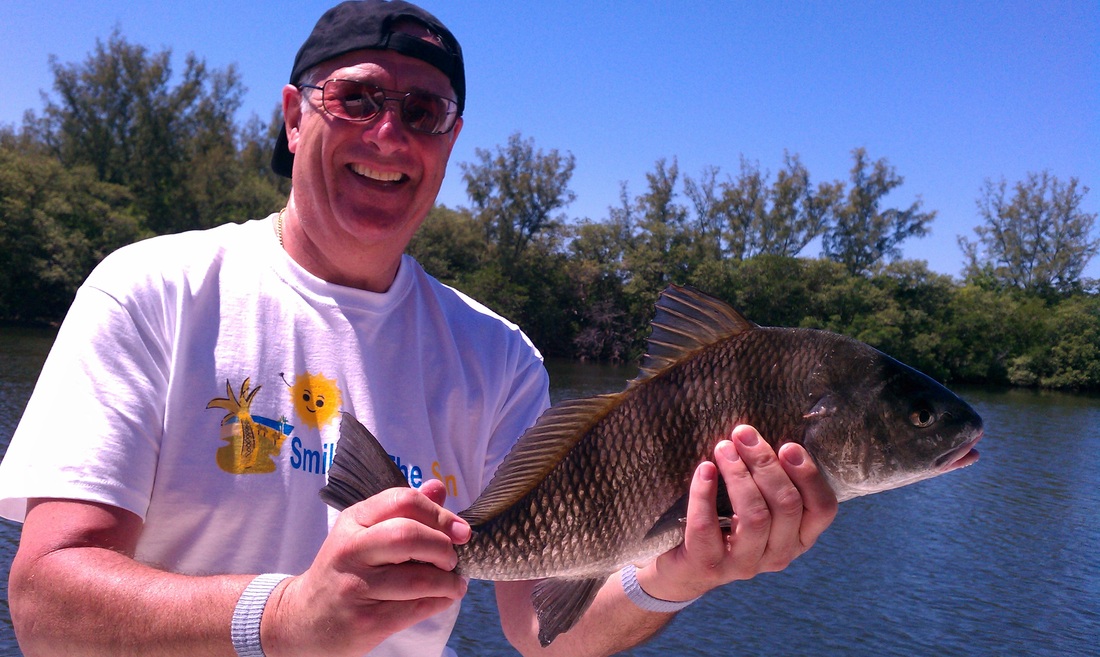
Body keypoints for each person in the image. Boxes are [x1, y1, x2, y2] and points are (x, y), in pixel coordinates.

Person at [0, 1, 838, 655]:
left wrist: (679, 573)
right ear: (294, 116)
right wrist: (283, 617)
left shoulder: (499, 359)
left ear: (451, 139)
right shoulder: (154, 292)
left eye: (424, 110)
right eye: (356, 98)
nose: (389, 133)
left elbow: (540, 629)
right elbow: (42, 603)